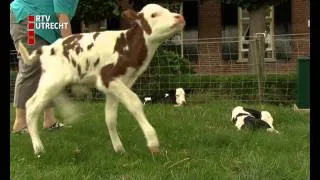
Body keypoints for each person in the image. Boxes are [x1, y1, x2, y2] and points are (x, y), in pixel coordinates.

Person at [10, 0, 79, 133]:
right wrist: (71, 49)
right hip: (28, 19)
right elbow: (63, 16)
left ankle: (49, 120)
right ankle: (20, 123)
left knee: (50, 72)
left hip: (45, 26)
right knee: (30, 65)